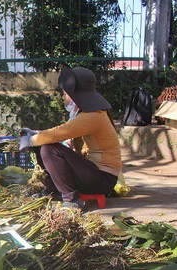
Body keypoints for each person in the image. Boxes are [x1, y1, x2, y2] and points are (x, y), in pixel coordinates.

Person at [19, 66, 122, 209]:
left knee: (49, 150)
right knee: (43, 147)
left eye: (65, 94)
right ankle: (55, 189)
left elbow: (59, 133)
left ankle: (71, 199)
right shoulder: (90, 114)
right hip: (96, 174)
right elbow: (67, 138)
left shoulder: (93, 116)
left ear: (75, 96)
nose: (63, 98)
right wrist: (36, 136)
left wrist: (31, 140)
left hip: (102, 179)